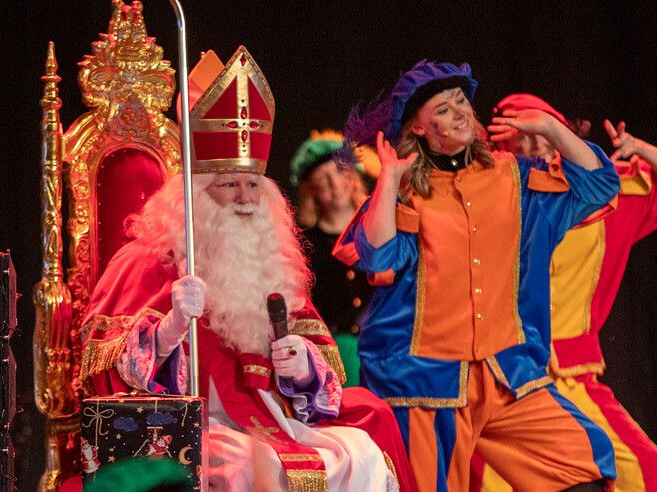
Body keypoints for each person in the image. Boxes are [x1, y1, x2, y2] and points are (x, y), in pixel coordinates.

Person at [80, 47, 416, 492]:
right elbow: (101, 372)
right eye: (229, 184)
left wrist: (301, 368)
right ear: (194, 196)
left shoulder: (269, 260)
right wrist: (169, 331)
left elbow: (323, 378)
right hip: (196, 424)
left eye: (253, 184)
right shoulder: (146, 260)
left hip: (271, 416)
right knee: (242, 469)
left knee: (364, 452)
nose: (244, 197)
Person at [333, 60, 619, 491]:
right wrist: (390, 181)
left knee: (583, 465)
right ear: (419, 130)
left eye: (462, 101)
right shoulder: (410, 193)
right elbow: (378, 258)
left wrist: (553, 131)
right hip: (425, 383)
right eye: (444, 109)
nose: (461, 112)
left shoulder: (513, 179)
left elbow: (599, 187)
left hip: (506, 373)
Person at [483, 93, 657, 492]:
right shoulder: (486, 198)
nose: (534, 145)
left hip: (572, 375)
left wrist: (640, 149)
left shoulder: (609, 191)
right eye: (520, 135)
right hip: (502, 376)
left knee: (642, 469)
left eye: (542, 132)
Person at [290, 130, 380, 387]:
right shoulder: (305, 244)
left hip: (385, 343)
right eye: (322, 179)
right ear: (313, 192)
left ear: (352, 176)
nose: (334, 184)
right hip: (338, 351)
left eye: (338, 172)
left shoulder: (377, 227)